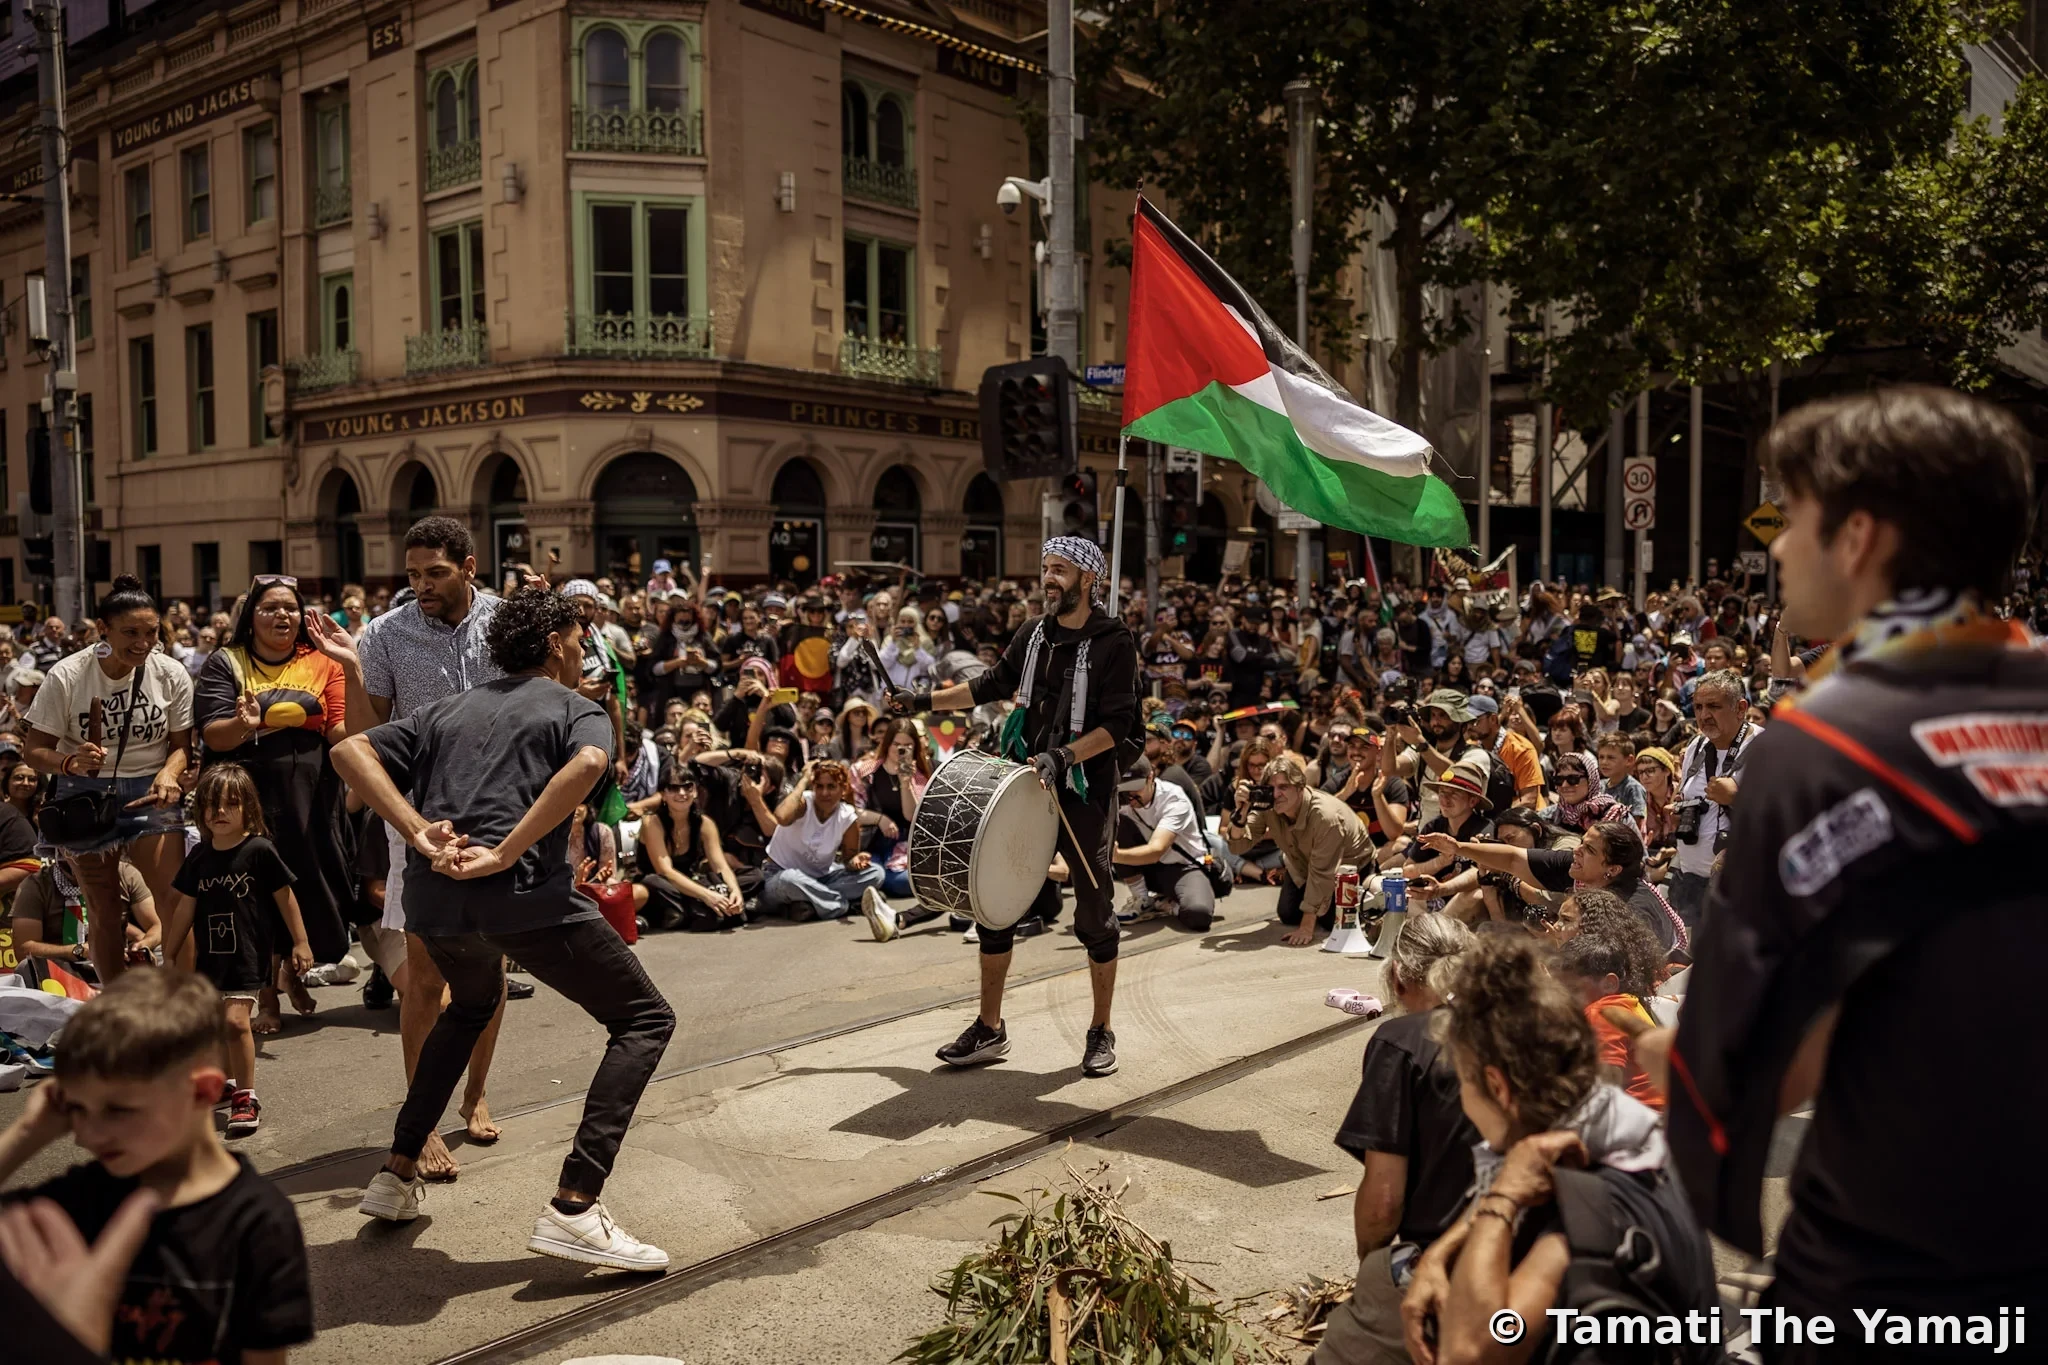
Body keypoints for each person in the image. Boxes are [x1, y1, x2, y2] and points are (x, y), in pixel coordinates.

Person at [1624, 388, 2048, 1355]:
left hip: (1890, 1270)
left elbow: (1751, 1069)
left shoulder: (1818, 747)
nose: (1774, 547)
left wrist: (1649, 1053)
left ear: (1858, 537)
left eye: (1793, 516)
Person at [333, 587, 677, 1269]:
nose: (586, 649)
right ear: (555, 643)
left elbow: (349, 754)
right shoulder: (578, 706)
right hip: (519, 897)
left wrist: (416, 833)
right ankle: (575, 1205)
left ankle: (397, 1171)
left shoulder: (443, 709)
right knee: (645, 1018)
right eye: (581, 637)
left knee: (473, 1004)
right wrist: (508, 850)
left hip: (435, 901)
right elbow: (587, 765)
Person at [1399, 938, 1718, 1365]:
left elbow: (1469, 1351)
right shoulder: (1615, 1126)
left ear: (1497, 1087)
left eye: (1464, 1082)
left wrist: (1502, 1199)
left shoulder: (1583, 1202)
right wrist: (1438, 1253)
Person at [890, 536, 1138, 1077]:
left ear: (1089, 579)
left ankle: (1100, 1031)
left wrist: (1064, 755)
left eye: (1061, 571)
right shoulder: (1033, 634)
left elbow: (1118, 726)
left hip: (1082, 787)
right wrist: (922, 702)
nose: (1049, 579)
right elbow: (989, 685)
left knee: (1095, 915)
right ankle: (990, 1028)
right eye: (1046, 568)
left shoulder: (1114, 640)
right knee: (993, 903)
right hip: (1022, 780)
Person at [310, 515, 508, 1178]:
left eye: (435, 573)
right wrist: (350, 665)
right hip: (416, 818)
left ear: (469, 565)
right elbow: (369, 736)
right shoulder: (385, 634)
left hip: (500, 815)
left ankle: (475, 1094)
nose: (420, 585)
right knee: (424, 977)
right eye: (413, 573)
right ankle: (420, 1122)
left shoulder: (506, 624)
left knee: (490, 967)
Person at [0, 969, 314, 1363]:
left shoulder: (256, 1222)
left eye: (118, 1110)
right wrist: (27, 1133)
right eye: (77, 1110)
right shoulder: (94, 1192)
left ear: (202, 1091)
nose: (88, 1137)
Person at [194, 573, 354, 1032]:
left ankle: (288, 972)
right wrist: (246, 724)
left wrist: (355, 670)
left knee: (309, 885)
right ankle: (265, 998)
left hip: (311, 795)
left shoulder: (323, 662)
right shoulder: (226, 662)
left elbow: (339, 729)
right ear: (250, 617)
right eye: (269, 608)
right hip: (248, 792)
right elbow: (213, 734)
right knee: (257, 891)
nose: (281, 615)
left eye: (289, 608)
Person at [1315, 915, 1477, 1365]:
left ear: (1398, 976)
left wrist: (1372, 1269)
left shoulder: (1402, 1041)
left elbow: (1384, 1201)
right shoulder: (1525, 1028)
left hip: (1446, 1269)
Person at [21, 575, 193, 986]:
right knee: (103, 908)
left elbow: (182, 746)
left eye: (151, 632)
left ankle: (187, 999)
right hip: (84, 795)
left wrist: (170, 771)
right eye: (130, 633)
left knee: (173, 899)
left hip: (150, 790)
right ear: (103, 630)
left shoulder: (170, 673)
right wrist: (70, 762)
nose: (143, 642)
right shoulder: (68, 676)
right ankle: (120, 1006)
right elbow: (33, 751)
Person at [160, 764, 311, 1138]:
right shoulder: (199, 857)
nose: (220, 812)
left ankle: (246, 1096)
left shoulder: (259, 850)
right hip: (211, 957)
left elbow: (286, 897)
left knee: (235, 1022)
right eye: (212, 805)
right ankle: (225, 1084)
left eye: (230, 804)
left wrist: (301, 941)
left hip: (247, 952)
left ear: (248, 808)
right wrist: (170, 950)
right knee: (214, 1025)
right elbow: (185, 906)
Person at [1420, 815, 1686, 957]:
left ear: (1612, 869)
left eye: (1589, 849)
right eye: (1581, 842)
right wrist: (1458, 847)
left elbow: (1621, 966)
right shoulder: (1583, 867)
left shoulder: (1630, 909)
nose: (1577, 851)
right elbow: (1513, 859)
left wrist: (1561, 943)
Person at [1221, 752, 1376, 947]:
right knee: (1288, 914)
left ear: (1300, 787)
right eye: (1271, 788)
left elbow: (1322, 872)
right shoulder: (1270, 805)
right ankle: (1319, 903)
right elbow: (1238, 845)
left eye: (1283, 787)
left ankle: (1368, 897)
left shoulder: (1324, 816)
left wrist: (1307, 927)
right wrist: (1241, 812)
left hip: (1349, 867)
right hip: (1303, 865)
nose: (1276, 794)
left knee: (1329, 921)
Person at [1665, 667, 1752, 931]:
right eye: (1699, 706)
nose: (1704, 715)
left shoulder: (1766, 747)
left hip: (1738, 890)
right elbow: (1685, 795)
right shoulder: (1696, 746)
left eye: (1713, 706)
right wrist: (1678, 808)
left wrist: (1737, 798)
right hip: (1691, 882)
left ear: (1740, 708)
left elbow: (1784, 816)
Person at [753, 758, 883, 921]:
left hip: (820, 878)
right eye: (819, 786)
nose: (824, 793)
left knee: (876, 873)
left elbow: (848, 861)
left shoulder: (847, 816)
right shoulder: (804, 802)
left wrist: (855, 861)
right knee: (790, 879)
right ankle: (844, 906)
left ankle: (811, 903)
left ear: (843, 789)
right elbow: (781, 817)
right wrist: (804, 780)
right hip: (779, 875)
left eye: (831, 787)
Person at [1107, 757, 1216, 933]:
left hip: (1184, 867)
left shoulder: (1173, 799)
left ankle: (1165, 905)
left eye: (1136, 788)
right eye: (1126, 789)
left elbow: (1156, 850)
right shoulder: (1121, 799)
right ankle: (1141, 898)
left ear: (1151, 778)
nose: (1131, 796)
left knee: (1198, 915)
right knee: (1117, 822)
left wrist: (1116, 856)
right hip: (1149, 868)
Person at [636, 763, 745, 932]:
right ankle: (703, 907)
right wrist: (707, 895)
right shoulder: (652, 823)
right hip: (664, 886)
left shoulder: (704, 823)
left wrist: (735, 891)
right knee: (653, 882)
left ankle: (690, 911)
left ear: (695, 791)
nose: (682, 793)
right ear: (663, 795)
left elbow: (720, 866)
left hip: (691, 883)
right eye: (673, 788)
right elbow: (665, 871)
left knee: (754, 876)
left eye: (687, 787)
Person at [9, 859, 153, 968]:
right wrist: (79, 951)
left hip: (118, 966)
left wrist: (144, 944)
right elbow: (24, 949)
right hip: (58, 974)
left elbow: (157, 925)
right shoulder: (35, 886)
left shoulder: (125, 875)